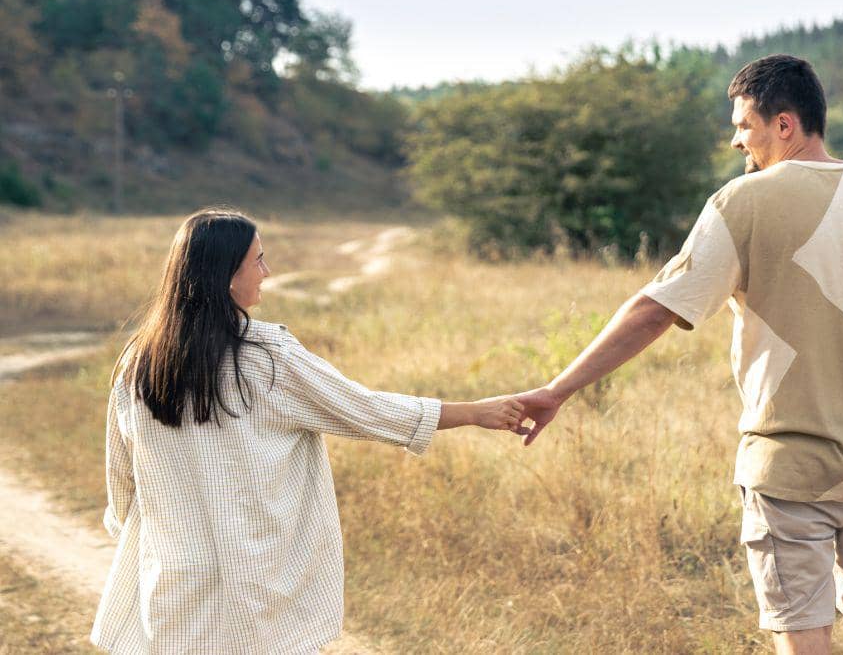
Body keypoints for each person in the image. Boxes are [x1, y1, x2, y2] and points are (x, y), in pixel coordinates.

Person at [515, 55, 843, 655]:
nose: (735, 139)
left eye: (743, 124)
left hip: (788, 460)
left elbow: (656, 309)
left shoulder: (743, 201)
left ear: (784, 124)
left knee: (803, 629)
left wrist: (556, 390)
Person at [90, 207, 525, 653]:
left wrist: (150, 544)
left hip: (174, 580)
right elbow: (366, 410)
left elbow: (122, 483)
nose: (267, 271)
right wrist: (475, 412)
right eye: (257, 260)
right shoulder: (267, 357)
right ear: (225, 275)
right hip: (257, 584)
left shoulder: (136, 365)